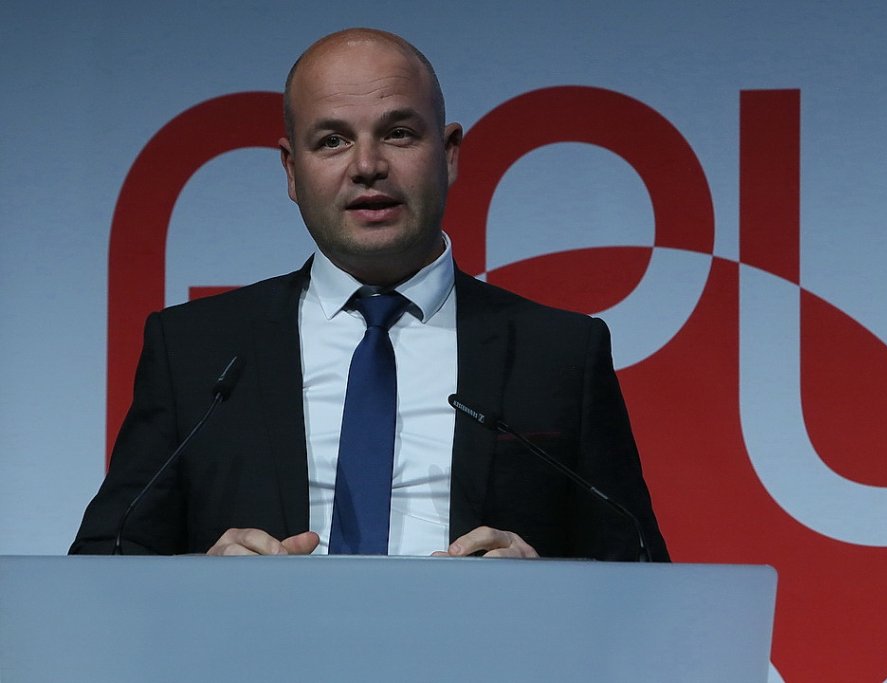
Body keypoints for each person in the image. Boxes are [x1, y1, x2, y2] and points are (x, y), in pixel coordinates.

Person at [71, 28, 669, 561]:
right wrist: (204, 584)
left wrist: (541, 590)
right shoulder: (197, 350)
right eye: (331, 141)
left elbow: (641, 577)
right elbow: (105, 559)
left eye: (399, 133)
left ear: (450, 153)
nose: (367, 165)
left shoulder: (558, 350)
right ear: (289, 169)